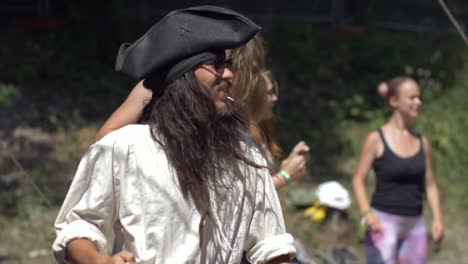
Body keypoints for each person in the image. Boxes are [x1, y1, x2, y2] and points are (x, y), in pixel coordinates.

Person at [53, 6, 296, 264]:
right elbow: (79, 226)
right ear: (183, 76)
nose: (229, 74)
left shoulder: (242, 151)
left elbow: (272, 245)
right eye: (216, 64)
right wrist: (100, 261)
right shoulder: (123, 148)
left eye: (227, 63)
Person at [352, 77, 444, 263]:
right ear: (394, 101)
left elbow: (430, 184)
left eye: (419, 97)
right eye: (412, 97)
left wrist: (437, 218)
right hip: (383, 222)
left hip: (414, 223)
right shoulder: (375, 139)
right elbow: (358, 180)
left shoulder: (422, 142)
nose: (418, 102)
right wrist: (366, 213)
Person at [246, 70, 309, 190]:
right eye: (269, 93)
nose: (275, 98)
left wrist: (288, 166)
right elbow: (255, 193)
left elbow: (265, 184)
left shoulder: (260, 132)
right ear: (255, 97)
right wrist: (285, 175)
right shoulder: (243, 138)